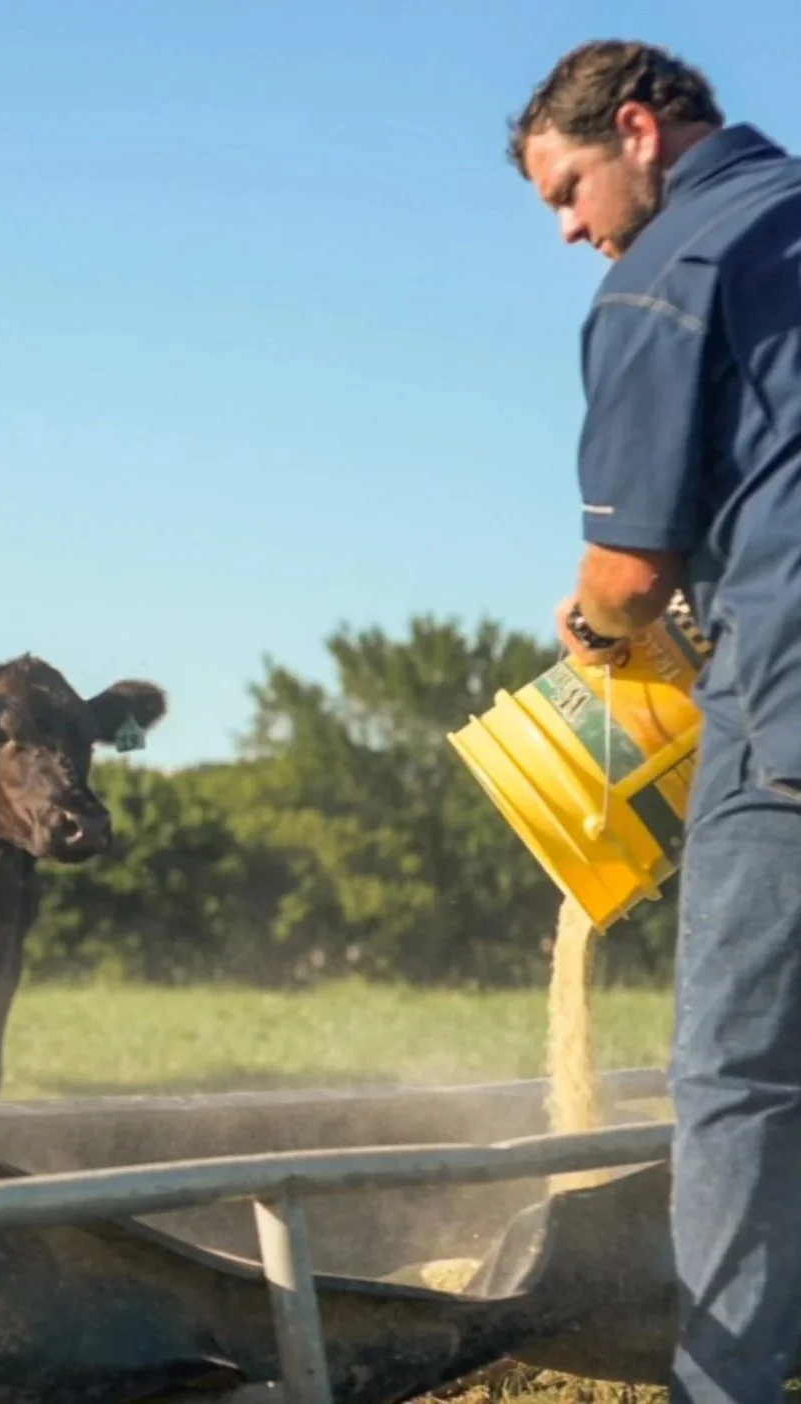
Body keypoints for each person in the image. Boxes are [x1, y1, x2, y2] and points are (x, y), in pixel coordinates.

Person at [509, 39, 801, 1404]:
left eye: (567, 189)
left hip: (789, 703)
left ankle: (729, 1385)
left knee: (740, 1074)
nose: (569, 227)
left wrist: (602, 629)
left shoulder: (669, 273)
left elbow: (631, 574)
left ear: (637, 131)